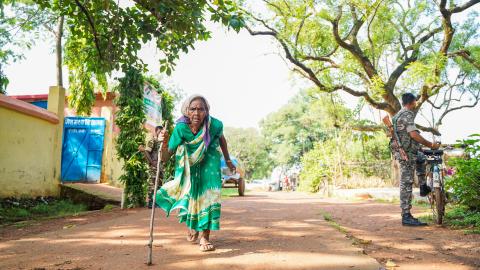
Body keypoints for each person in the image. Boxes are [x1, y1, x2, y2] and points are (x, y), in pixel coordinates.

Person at [154, 95, 236, 252]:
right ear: (186, 111)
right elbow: (165, 157)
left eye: (201, 109)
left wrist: (228, 159)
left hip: (210, 160)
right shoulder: (181, 128)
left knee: (209, 195)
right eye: (193, 109)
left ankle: (205, 236)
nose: (197, 113)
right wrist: (163, 142)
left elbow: (221, 139)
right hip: (188, 163)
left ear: (207, 111)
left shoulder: (214, 125)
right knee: (192, 194)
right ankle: (194, 226)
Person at [392, 93, 440, 226]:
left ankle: (423, 186)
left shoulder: (396, 116)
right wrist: (430, 144)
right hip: (406, 154)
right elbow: (413, 134)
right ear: (412, 102)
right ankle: (406, 216)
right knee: (406, 183)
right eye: (415, 102)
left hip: (409, 151)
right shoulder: (408, 114)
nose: (415, 104)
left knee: (422, 158)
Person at [138, 125, 163, 208]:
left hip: (160, 166)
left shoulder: (161, 142)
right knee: (152, 184)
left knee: (159, 184)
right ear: (156, 132)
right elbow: (147, 152)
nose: (160, 133)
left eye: (161, 132)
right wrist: (152, 163)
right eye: (159, 132)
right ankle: (150, 202)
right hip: (154, 166)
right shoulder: (152, 141)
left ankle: (156, 202)